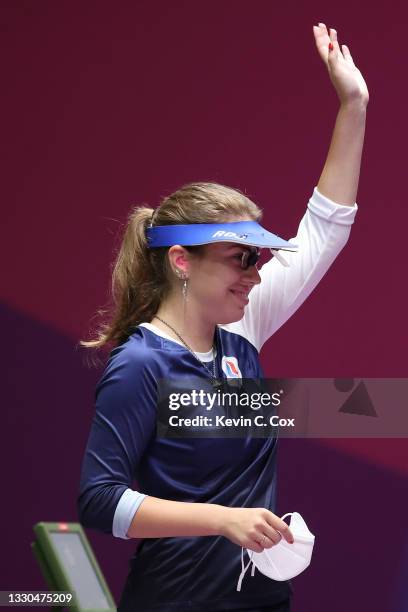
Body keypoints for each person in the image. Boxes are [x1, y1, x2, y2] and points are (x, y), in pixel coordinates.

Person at [77, 23, 368, 612]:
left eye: (256, 259)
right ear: (182, 261)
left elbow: (325, 229)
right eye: (239, 259)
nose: (255, 274)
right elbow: (99, 501)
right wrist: (221, 521)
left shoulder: (239, 330)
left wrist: (354, 104)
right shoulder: (140, 364)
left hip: (262, 601)